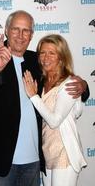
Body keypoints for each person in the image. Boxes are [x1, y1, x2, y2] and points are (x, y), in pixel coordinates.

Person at [0, 10, 89, 186]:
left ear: (32, 35)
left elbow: (61, 81)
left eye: (26, 30)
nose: (20, 35)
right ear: (6, 30)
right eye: (16, 29)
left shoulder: (37, 60)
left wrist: (84, 86)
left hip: (33, 162)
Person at [23, 34, 88, 186]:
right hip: (48, 152)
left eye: (52, 53)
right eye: (42, 53)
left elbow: (54, 121)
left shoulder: (69, 83)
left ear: (61, 57)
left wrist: (33, 96)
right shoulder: (42, 80)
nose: (45, 57)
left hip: (64, 152)